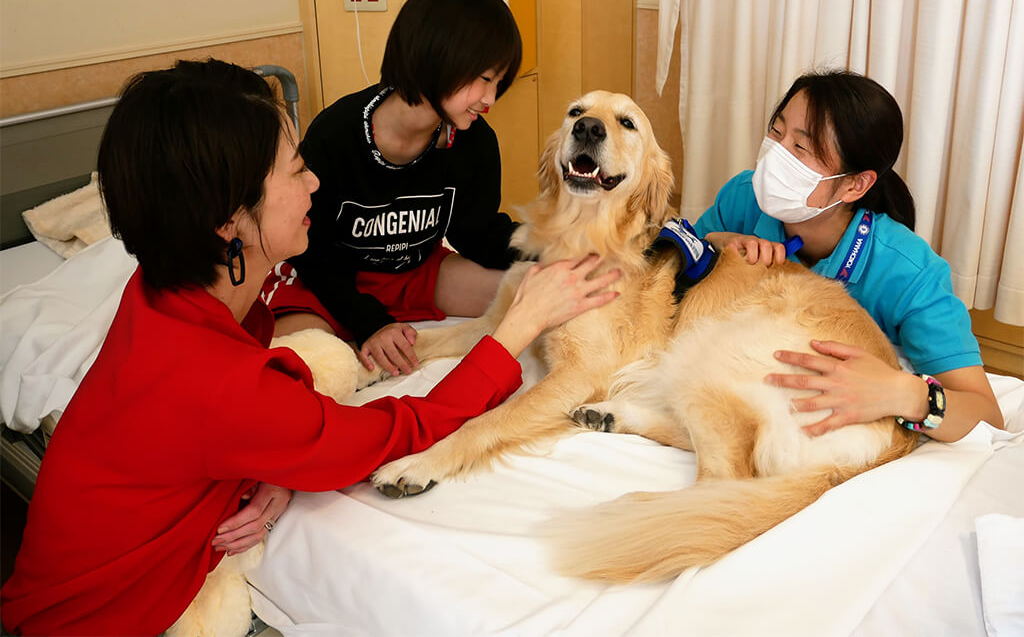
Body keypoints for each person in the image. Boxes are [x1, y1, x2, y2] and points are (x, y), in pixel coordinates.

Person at [0, 60, 620, 636]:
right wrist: (516, 325)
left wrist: (267, 465)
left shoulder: (157, 291)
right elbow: (404, 430)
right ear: (228, 222)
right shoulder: (221, 387)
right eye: (296, 169)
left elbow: (224, 425)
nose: (316, 180)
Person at [693, 70, 1003, 441]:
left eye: (801, 148)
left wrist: (903, 392)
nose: (775, 155)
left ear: (856, 184)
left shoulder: (909, 272)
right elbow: (669, 269)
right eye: (777, 133)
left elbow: (987, 415)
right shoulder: (743, 197)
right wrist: (716, 243)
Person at [262, 0, 523, 379]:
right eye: (485, 79)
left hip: (416, 274)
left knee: (533, 292)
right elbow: (313, 251)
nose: (490, 99)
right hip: (331, 281)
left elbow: (480, 236)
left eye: (498, 83)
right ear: (440, 56)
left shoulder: (474, 142)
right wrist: (371, 323)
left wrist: (563, 247)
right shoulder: (337, 134)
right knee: (305, 364)